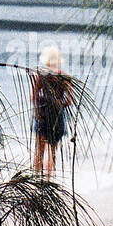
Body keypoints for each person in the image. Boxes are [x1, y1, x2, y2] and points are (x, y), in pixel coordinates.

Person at [31, 45, 73, 176]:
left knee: (39, 151)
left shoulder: (41, 76)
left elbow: (33, 97)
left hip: (42, 115)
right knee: (52, 152)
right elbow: (69, 101)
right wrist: (58, 105)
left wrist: (42, 107)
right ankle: (49, 181)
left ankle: (36, 180)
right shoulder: (65, 77)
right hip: (57, 116)